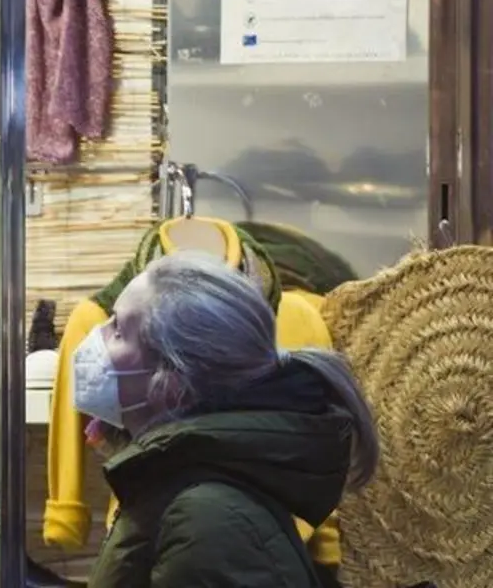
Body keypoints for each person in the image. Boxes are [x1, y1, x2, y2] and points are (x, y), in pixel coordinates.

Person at [77, 251, 379, 587]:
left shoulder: (207, 521)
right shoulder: (174, 487)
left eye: (118, 330)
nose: (96, 336)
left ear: (172, 381)